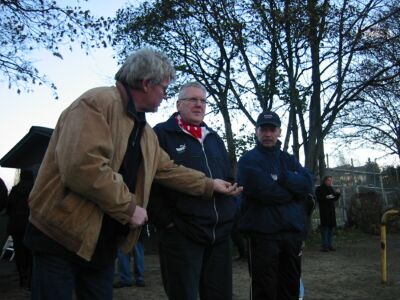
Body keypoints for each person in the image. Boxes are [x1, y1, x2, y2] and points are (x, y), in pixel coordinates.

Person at [23, 48, 242, 300]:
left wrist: (209, 184)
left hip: (101, 244)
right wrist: (129, 208)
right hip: (60, 237)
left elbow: (168, 169)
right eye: (163, 88)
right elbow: (83, 167)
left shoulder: (145, 132)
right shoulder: (95, 103)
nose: (165, 95)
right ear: (146, 84)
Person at [148, 81, 238, 300]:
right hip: (182, 236)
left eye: (203, 100)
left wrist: (230, 208)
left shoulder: (214, 138)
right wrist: (167, 222)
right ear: (179, 104)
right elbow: (149, 182)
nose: (199, 105)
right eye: (192, 100)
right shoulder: (160, 134)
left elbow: (227, 175)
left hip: (218, 236)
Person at [237, 110, 314, 300]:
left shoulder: (288, 159)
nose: (268, 134)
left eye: (272, 129)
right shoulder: (248, 160)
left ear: (279, 131)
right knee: (265, 289)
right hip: (263, 237)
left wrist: (281, 177)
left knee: (290, 288)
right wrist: (293, 191)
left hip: (291, 236)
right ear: (257, 131)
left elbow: (307, 184)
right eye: (264, 129)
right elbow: (262, 191)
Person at [5, 170, 34, 289]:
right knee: (30, 254)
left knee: (19, 253)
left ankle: (22, 277)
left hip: (16, 226)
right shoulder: (35, 190)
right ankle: (29, 279)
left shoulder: (15, 190)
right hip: (30, 226)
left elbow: (8, 207)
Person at [316, 175, 340, 252]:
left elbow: (334, 198)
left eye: (331, 180)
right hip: (324, 211)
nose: (330, 182)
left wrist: (337, 194)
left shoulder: (330, 188)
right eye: (329, 180)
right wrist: (330, 196)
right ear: (325, 181)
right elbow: (320, 198)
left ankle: (329, 245)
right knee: (325, 228)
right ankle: (325, 246)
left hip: (331, 211)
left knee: (330, 228)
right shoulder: (319, 189)